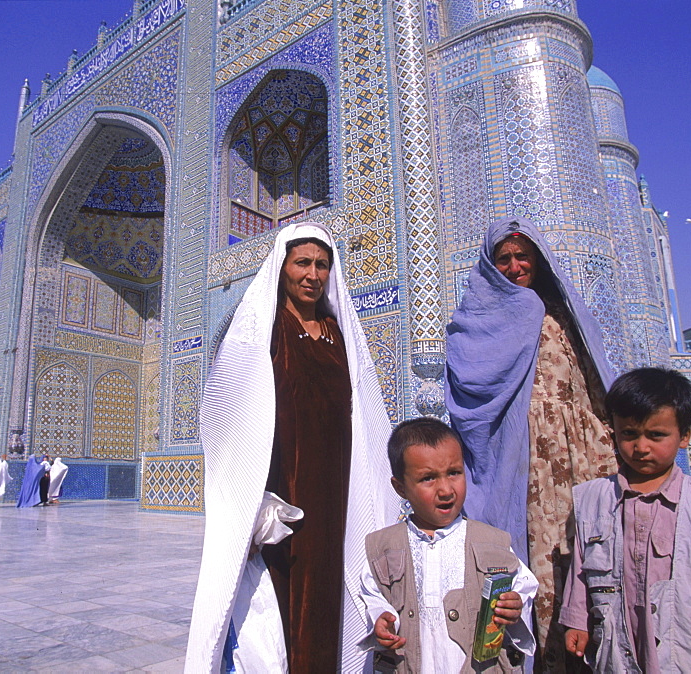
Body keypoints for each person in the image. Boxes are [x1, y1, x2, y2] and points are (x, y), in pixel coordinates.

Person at [185, 221, 398, 673]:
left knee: (331, 600)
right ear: (282, 268)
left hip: (338, 493)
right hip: (282, 503)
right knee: (281, 611)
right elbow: (227, 415)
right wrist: (245, 504)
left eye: (322, 265)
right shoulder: (263, 329)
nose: (313, 274)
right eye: (303, 263)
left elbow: (364, 412)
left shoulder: (340, 335)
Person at [445, 216, 616, 671]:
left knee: (588, 548)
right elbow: (468, 379)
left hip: (578, 453)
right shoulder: (477, 315)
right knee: (537, 559)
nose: (516, 266)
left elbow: (592, 378)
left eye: (524, 257)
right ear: (489, 263)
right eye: (505, 258)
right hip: (521, 457)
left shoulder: (561, 311)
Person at [561, 368, 691, 672]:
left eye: (656, 435)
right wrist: (577, 622)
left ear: (685, 436)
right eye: (629, 434)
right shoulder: (593, 499)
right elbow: (580, 570)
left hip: (689, 647)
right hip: (617, 645)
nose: (641, 447)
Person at [360, 418, 537, 672]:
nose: (445, 490)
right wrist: (381, 620)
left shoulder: (493, 543)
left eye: (454, 473)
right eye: (428, 479)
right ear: (400, 488)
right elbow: (373, 597)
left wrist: (515, 605)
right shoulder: (383, 549)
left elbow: (524, 587)